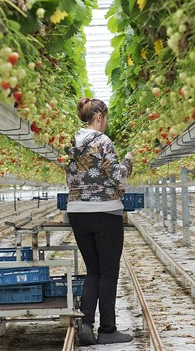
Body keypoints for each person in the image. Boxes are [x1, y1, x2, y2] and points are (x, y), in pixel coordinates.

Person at [64, 97, 134, 346]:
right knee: (108, 272)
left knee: (93, 271)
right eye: (106, 119)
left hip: (77, 211)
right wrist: (128, 160)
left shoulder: (71, 143)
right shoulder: (103, 141)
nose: (106, 124)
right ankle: (107, 329)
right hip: (105, 211)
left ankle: (86, 324)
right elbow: (117, 176)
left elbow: (74, 177)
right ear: (99, 117)